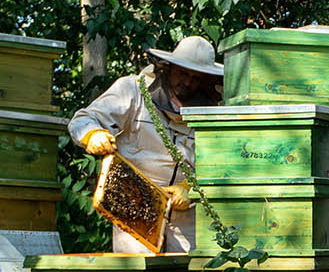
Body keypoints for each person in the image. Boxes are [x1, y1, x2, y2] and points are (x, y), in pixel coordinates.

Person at [70, 35, 225, 253]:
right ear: (168, 67)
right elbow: (83, 120)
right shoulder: (132, 90)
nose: (188, 82)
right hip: (134, 210)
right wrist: (93, 134)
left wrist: (192, 189)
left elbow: (223, 164)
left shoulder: (214, 111)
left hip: (187, 218)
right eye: (183, 73)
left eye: (196, 77)